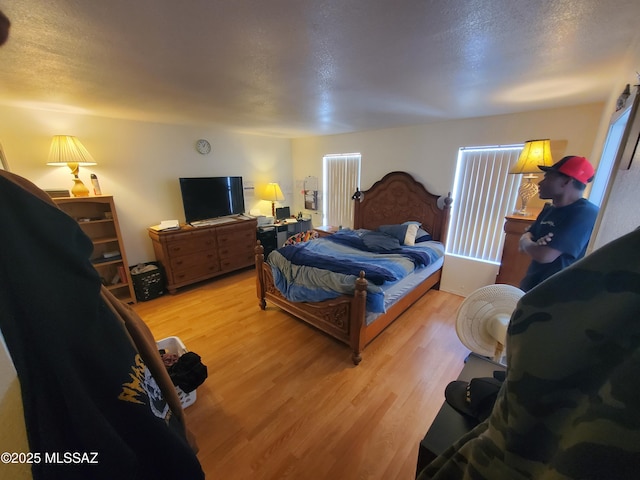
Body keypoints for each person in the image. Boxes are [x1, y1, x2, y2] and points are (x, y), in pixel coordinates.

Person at [518, 155, 599, 291]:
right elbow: (523, 246)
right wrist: (529, 241)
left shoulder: (585, 214)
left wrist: (526, 240)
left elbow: (544, 255)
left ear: (566, 181)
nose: (540, 183)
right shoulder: (549, 210)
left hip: (556, 293)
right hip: (531, 287)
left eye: (547, 177)